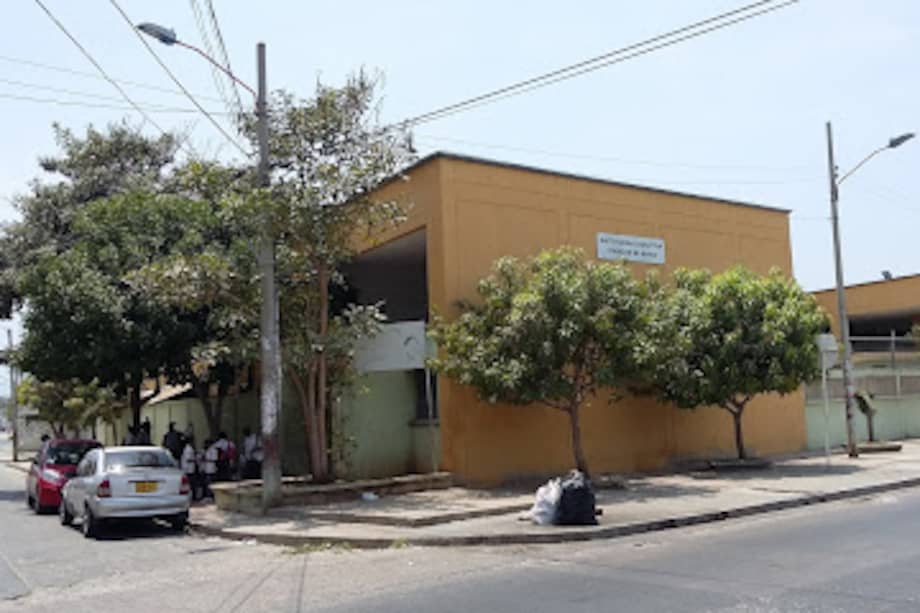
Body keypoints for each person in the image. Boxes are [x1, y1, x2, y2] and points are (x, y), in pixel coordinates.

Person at [180, 436, 200, 501]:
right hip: (188, 469)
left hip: (189, 469)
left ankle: (193, 497)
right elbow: (188, 459)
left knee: (192, 484)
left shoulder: (189, 448)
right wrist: (195, 459)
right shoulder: (188, 449)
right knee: (191, 484)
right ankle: (193, 497)